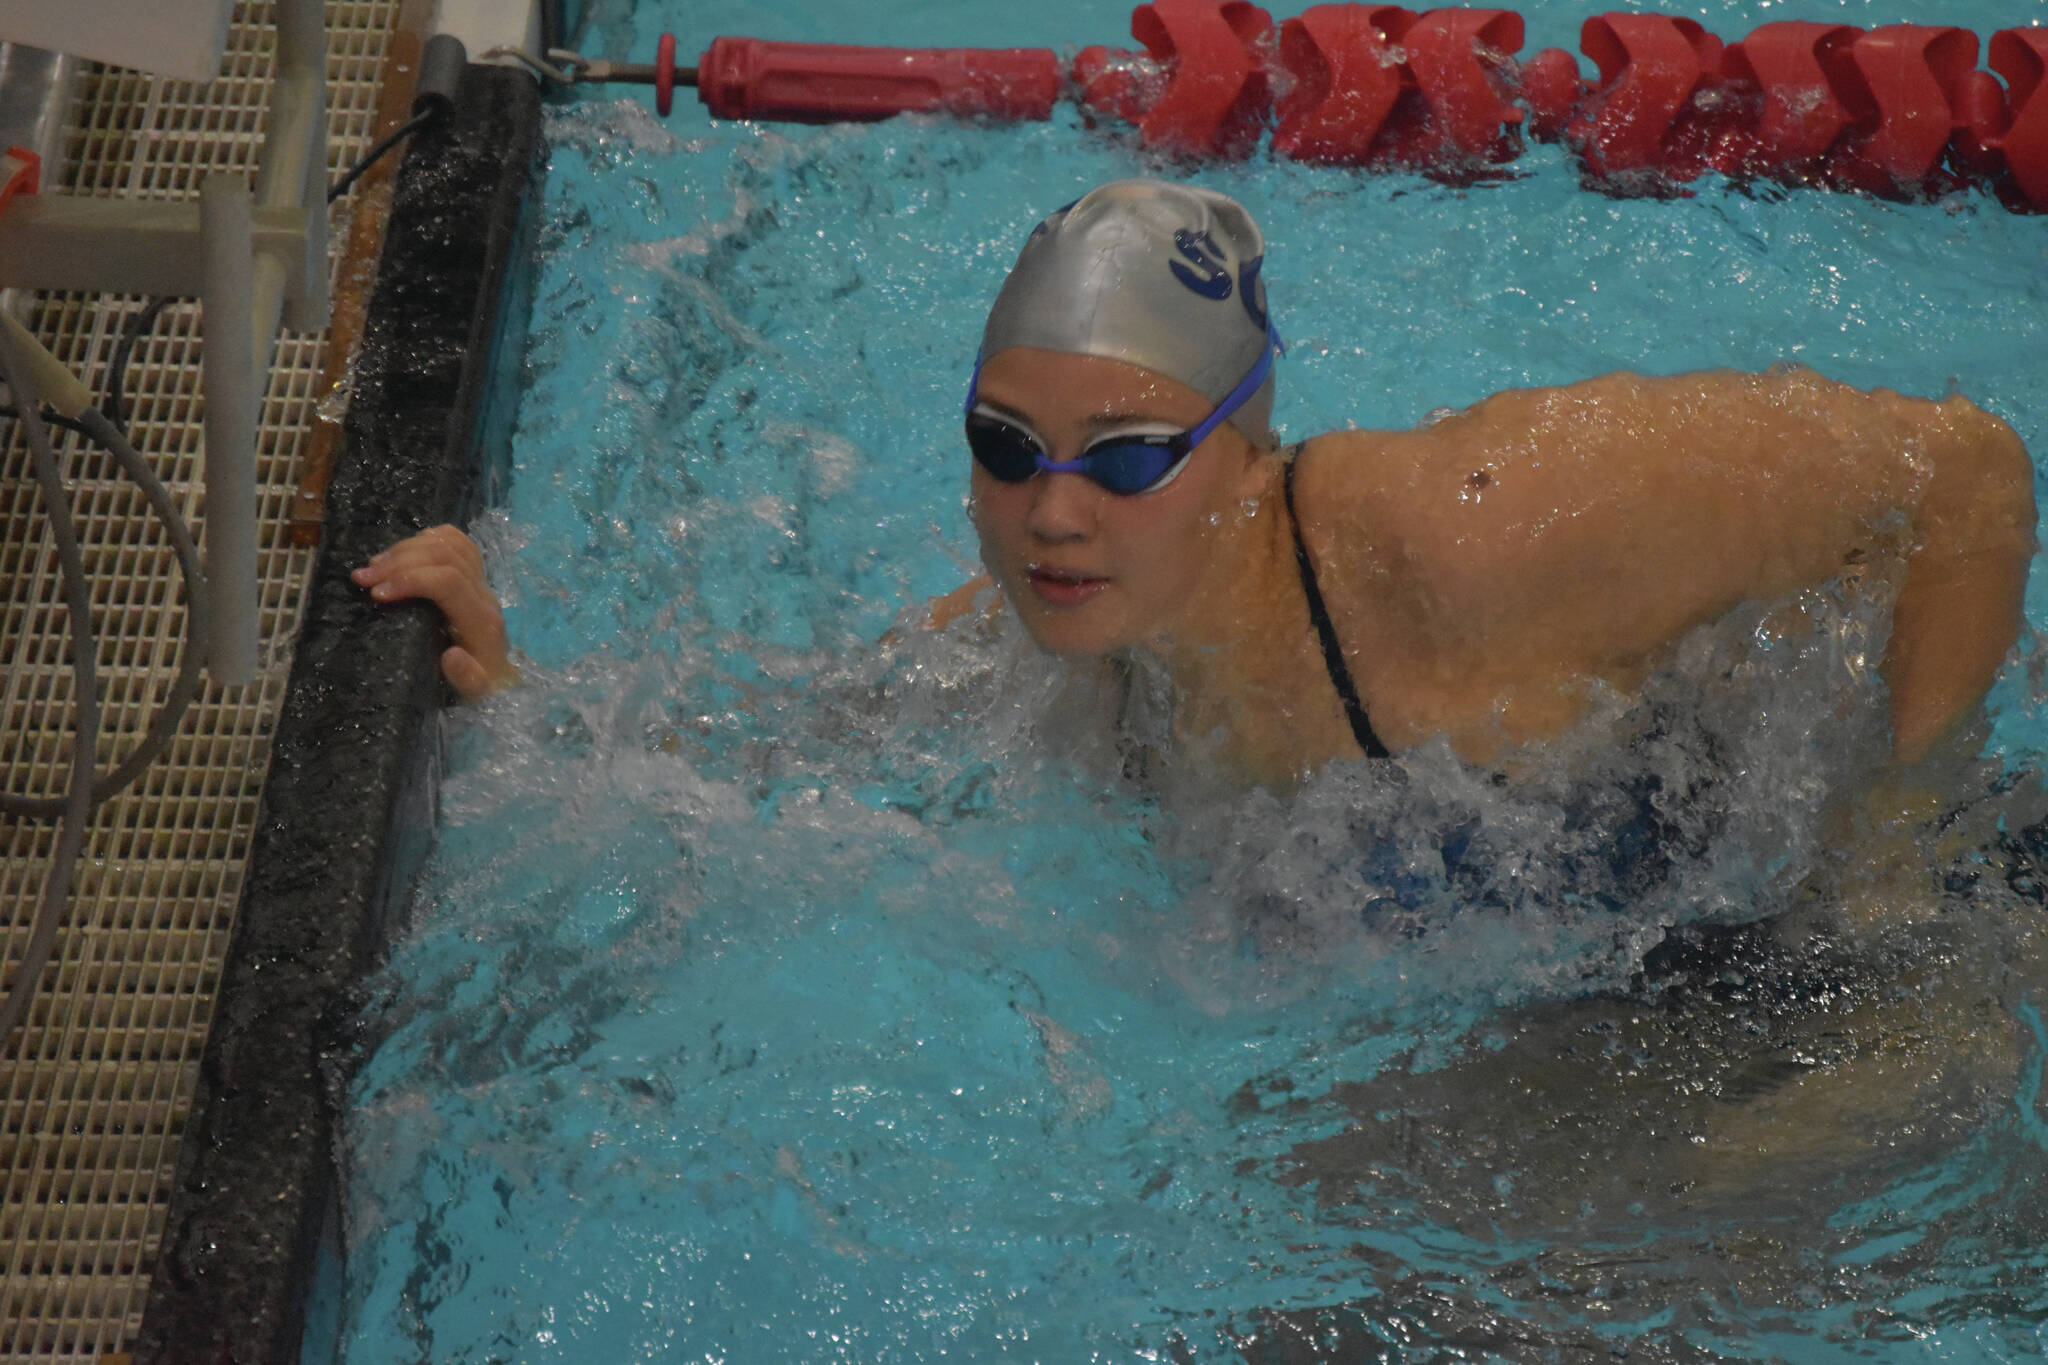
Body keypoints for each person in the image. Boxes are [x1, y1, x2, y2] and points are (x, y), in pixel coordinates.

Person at [356, 178, 2036, 793]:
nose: (1052, 512)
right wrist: (515, 690)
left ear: (1242, 461)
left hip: (1856, 936)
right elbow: (761, 767)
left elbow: (1963, 473)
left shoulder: (1474, 531)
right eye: (1003, 449)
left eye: (1129, 458)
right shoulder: (1057, 632)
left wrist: (1882, 840)